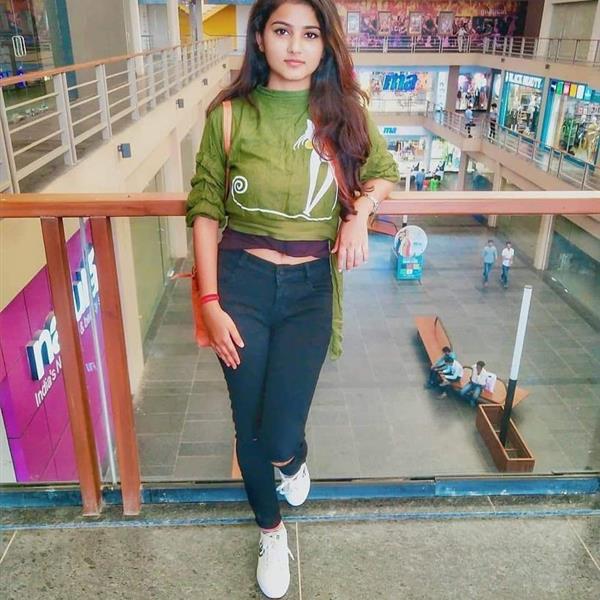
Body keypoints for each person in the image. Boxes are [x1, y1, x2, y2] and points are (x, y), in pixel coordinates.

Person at [185, 1, 398, 597]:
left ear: (325, 45)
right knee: (248, 427)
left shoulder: (344, 114)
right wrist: (209, 301)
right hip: (241, 284)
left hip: (309, 289)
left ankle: (294, 459)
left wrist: (360, 213)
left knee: (279, 434)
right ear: (260, 37)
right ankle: (271, 531)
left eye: (310, 34)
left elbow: (384, 171)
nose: (296, 46)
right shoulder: (230, 115)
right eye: (282, 31)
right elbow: (204, 209)